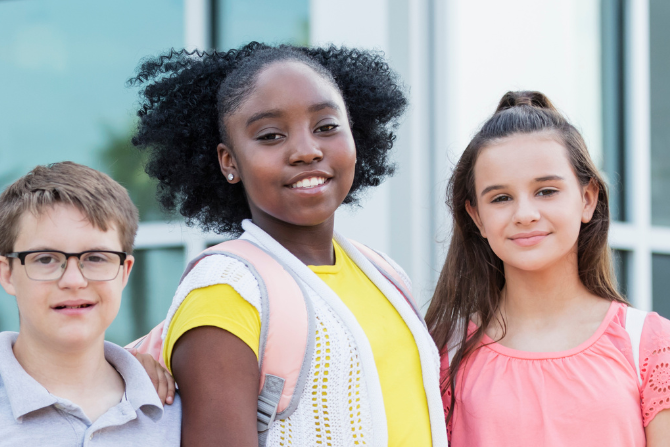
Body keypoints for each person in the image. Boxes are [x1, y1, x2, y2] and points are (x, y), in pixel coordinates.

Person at [127, 43, 445, 446]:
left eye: (327, 126)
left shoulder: (384, 272)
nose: (307, 151)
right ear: (229, 162)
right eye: (271, 135)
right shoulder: (227, 290)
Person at [426, 91, 670, 446]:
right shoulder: (444, 352)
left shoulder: (650, 344)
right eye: (501, 198)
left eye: (546, 191)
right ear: (476, 217)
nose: (525, 214)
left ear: (588, 199)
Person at [0, 161, 179, 446]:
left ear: (124, 271)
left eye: (95, 258)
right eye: (45, 259)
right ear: (6, 273)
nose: (73, 280)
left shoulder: (176, 415)